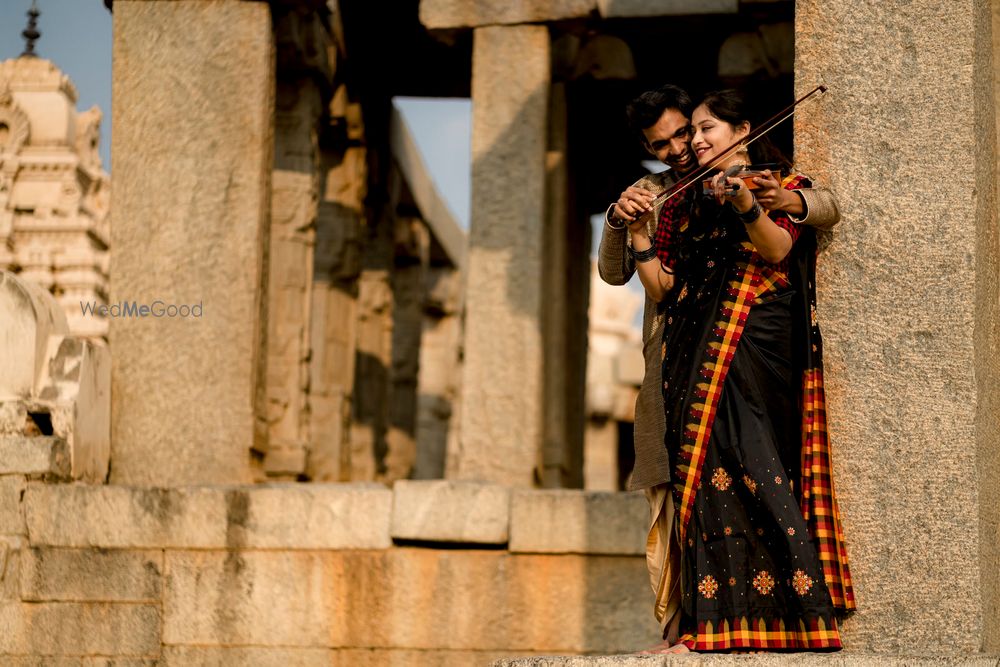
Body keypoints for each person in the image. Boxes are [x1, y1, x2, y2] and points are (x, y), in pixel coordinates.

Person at [598, 84, 846, 653]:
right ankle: (690, 624)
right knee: (686, 490)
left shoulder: (768, 181)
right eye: (663, 144)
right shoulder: (665, 197)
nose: (682, 148)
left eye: (692, 131)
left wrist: (760, 200)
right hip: (680, 361)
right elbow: (649, 281)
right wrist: (626, 225)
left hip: (749, 351)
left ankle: (785, 615)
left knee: (756, 474)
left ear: (737, 131)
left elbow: (816, 214)